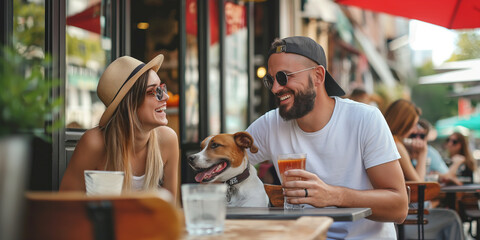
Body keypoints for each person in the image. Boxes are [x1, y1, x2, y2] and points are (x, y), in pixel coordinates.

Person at [246, 36, 408, 239]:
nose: (276, 88)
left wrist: (334, 195)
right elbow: (223, 161)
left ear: (318, 76)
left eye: (284, 77)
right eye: (271, 80)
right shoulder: (271, 124)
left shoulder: (365, 119)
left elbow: (399, 208)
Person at [60, 55, 179, 200]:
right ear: (129, 104)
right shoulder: (94, 143)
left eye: (161, 88)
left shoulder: (168, 140)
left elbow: (170, 210)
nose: (165, 97)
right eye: (152, 92)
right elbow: (65, 205)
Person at [384, 99, 428, 181]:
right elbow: (419, 184)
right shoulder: (396, 145)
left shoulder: (385, 141)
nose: (415, 130)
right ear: (403, 123)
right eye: (413, 125)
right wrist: (423, 153)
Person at [416, 119, 462, 185]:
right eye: (448, 140)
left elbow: (448, 176)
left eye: (422, 136)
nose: (450, 143)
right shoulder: (403, 151)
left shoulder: (430, 152)